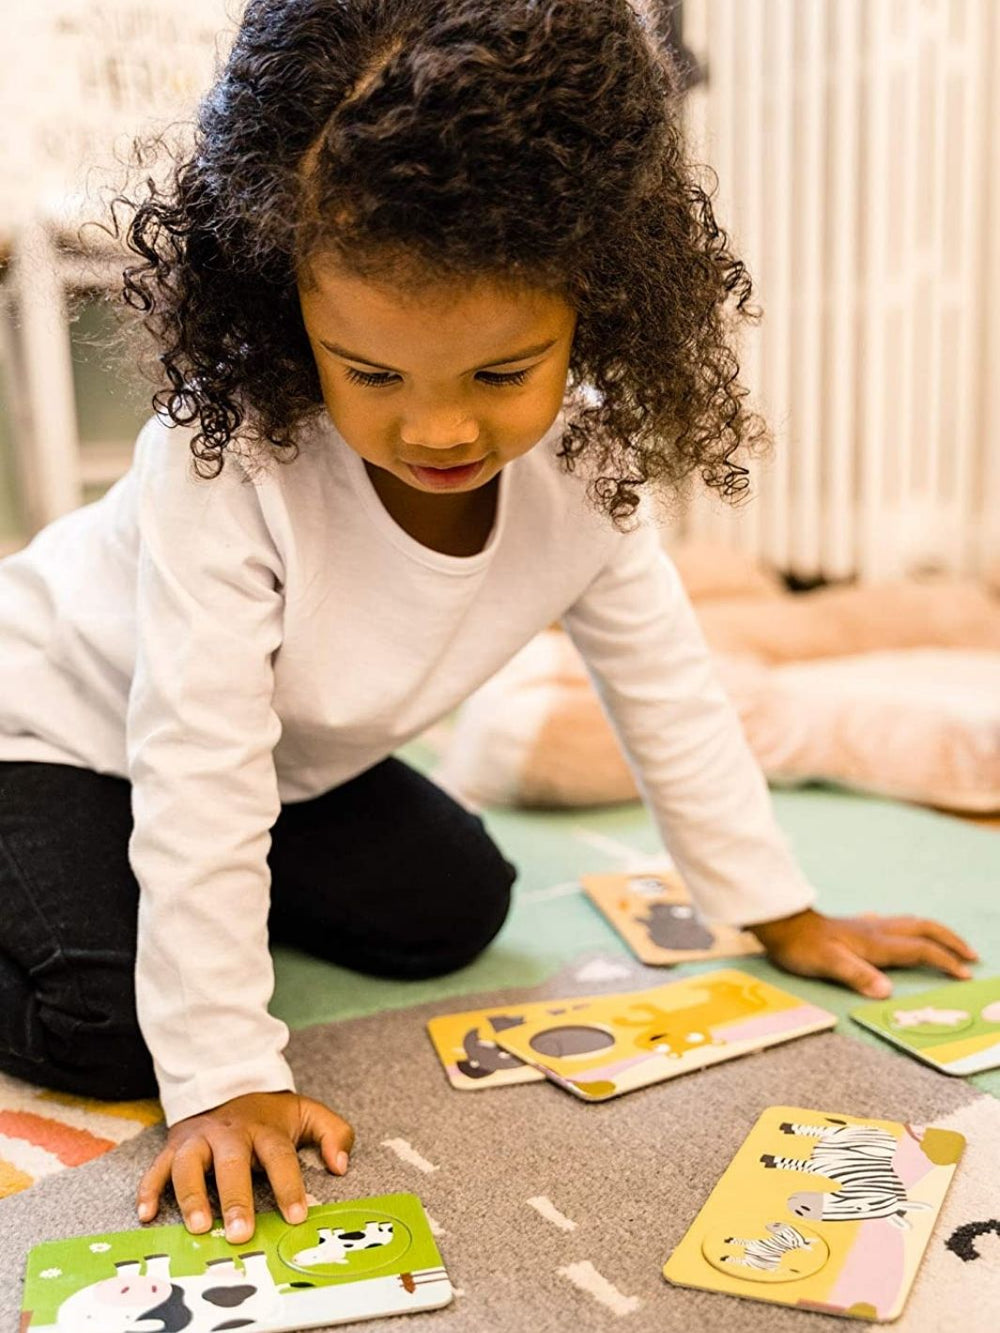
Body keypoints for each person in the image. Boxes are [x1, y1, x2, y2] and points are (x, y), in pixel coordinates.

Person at [0, 0, 975, 1248]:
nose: (440, 430)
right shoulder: (230, 459)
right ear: (285, 307)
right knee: (111, 1025)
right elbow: (197, 760)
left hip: (290, 766)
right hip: (57, 729)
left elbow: (663, 680)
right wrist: (226, 1072)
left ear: (600, 300)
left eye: (502, 374)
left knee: (450, 908)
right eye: (373, 373)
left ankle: (163, 920)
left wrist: (777, 907)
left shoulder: (593, 453)